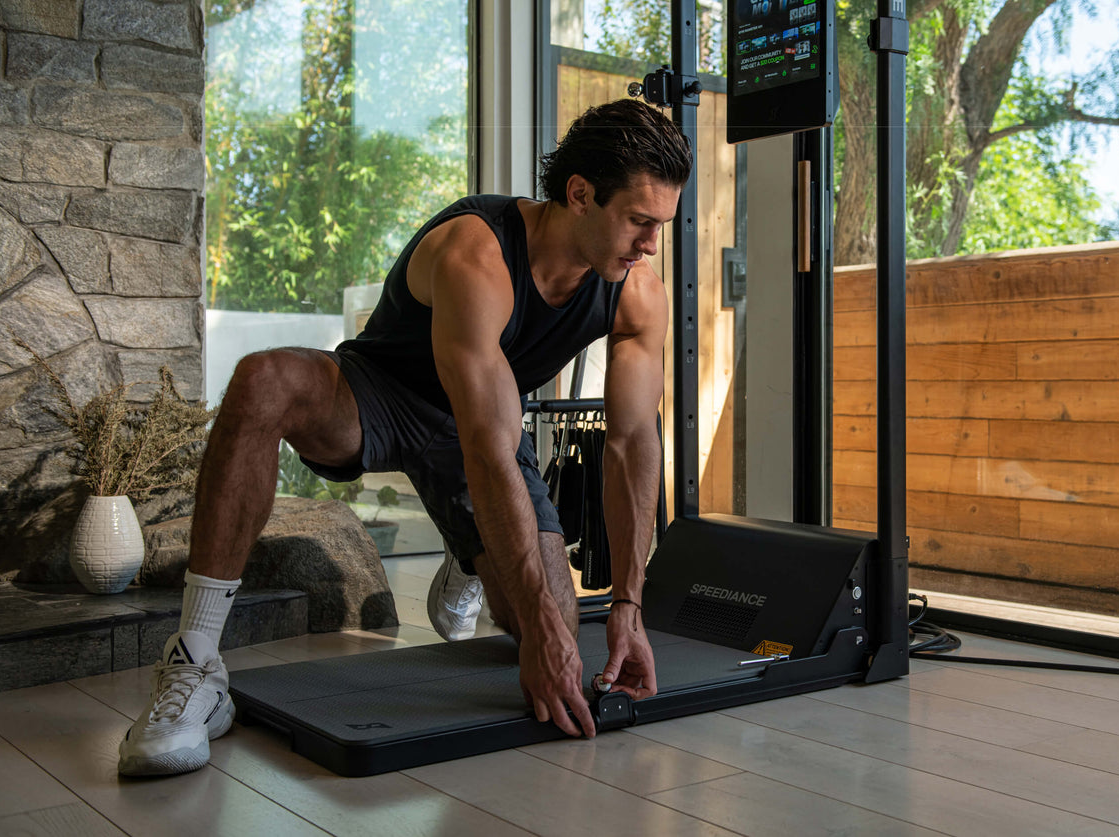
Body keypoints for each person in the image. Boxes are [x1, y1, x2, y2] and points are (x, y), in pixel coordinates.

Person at [117, 99, 694, 777]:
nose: (653, 243)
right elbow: (486, 447)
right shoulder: (477, 253)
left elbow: (630, 444)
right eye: (640, 221)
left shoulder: (636, 292)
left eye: (662, 224)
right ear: (579, 195)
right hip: (380, 395)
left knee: (557, 624)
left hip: (482, 424)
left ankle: (473, 557)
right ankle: (194, 662)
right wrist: (536, 620)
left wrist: (627, 603)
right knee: (263, 379)